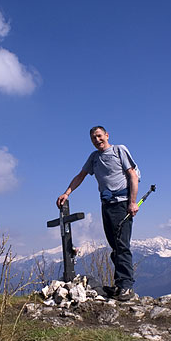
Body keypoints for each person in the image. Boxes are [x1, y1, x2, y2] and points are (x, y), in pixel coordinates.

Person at [56, 126, 139, 301]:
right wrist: (67, 193)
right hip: (106, 205)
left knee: (122, 245)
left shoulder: (119, 150)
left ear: (107, 135)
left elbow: (132, 175)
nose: (97, 140)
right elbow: (81, 176)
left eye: (99, 136)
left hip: (122, 204)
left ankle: (126, 287)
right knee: (115, 246)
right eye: (93, 138)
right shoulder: (94, 158)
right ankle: (120, 284)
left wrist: (132, 202)